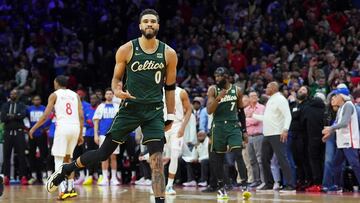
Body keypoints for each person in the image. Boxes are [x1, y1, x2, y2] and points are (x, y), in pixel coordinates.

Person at [45, 9, 177, 203]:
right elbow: (116, 80)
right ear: (140, 26)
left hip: (154, 112)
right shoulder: (126, 49)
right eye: (146, 21)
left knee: (156, 160)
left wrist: (171, 115)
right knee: (103, 153)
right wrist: (117, 91)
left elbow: (170, 87)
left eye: (153, 21)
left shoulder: (169, 53)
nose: (149, 24)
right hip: (129, 110)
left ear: (158, 25)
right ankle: (67, 169)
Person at [29, 75, 84, 200]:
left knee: (58, 160)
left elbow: (46, 115)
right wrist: (80, 134)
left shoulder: (54, 95)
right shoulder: (75, 95)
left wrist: (34, 128)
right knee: (69, 159)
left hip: (63, 128)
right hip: (75, 128)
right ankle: (71, 188)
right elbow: (81, 116)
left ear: (57, 83)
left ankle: (63, 189)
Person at [206, 67, 248, 200]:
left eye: (220, 76)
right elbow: (209, 110)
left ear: (227, 77)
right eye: (216, 76)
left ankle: (244, 186)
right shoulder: (213, 90)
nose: (217, 79)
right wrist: (218, 98)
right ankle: (221, 187)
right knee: (217, 158)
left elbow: (241, 111)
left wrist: (244, 130)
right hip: (218, 126)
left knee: (238, 153)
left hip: (233, 125)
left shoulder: (237, 91)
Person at [252, 82, 295, 192]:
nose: (266, 89)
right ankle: (269, 183)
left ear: (274, 88)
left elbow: (288, 115)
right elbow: (267, 118)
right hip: (267, 134)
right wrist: (253, 115)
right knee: (264, 159)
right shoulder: (270, 99)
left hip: (277, 133)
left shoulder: (280, 99)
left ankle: (290, 185)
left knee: (282, 159)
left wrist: (285, 129)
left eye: (267, 87)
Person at [322, 87, 360, 192]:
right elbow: (336, 123)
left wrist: (330, 128)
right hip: (342, 142)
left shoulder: (348, 105)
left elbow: (344, 122)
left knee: (355, 165)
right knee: (336, 165)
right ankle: (337, 186)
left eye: (336, 95)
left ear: (342, 96)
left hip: (349, 141)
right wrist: (329, 133)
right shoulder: (341, 107)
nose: (334, 97)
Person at [164, 86, 192, 195]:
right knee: (157, 156)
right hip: (162, 126)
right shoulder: (157, 90)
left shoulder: (181, 92)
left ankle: (169, 185)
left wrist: (183, 127)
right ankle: (157, 183)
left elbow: (189, 109)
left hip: (176, 126)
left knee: (174, 155)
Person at [0, 89, 28, 185]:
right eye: (12, 93)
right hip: (8, 133)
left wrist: (11, 116)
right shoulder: (5, 105)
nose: (13, 95)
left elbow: (23, 115)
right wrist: (16, 116)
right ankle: (6, 177)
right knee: (6, 156)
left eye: (15, 93)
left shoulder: (22, 105)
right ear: (9, 95)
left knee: (21, 156)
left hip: (19, 133)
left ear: (18, 95)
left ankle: (23, 177)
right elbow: (3, 118)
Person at [93, 88, 120, 186]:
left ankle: (113, 178)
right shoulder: (100, 106)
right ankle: (105, 178)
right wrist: (96, 134)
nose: (109, 95)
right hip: (103, 135)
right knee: (104, 156)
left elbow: (120, 122)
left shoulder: (117, 106)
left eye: (110, 94)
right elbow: (96, 121)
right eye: (107, 94)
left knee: (113, 156)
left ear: (113, 95)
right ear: (105, 96)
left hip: (115, 135)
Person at [27, 95, 50, 184]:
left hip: (41, 135)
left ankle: (44, 176)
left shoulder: (44, 108)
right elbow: (25, 120)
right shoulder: (29, 109)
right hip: (32, 135)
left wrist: (45, 128)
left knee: (43, 154)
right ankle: (33, 176)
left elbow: (49, 119)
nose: (37, 101)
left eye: (38, 99)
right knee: (31, 155)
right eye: (35, 99)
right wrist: (28, 130)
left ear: (40, 101)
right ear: (32, 101)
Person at [245, 91, 266, 188]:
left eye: (255, 96)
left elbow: (257, 121)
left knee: (260, 159)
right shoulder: (246, 109)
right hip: (249, 137)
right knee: (252, 160)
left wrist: (249, 119)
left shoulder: (261, 108)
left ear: (258, 98)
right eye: (251, 96)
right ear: (248, 98)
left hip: (259, 136)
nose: (253, 97)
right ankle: (256, 180)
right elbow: (242, 122)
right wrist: (249, 120)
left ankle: (263, 181)